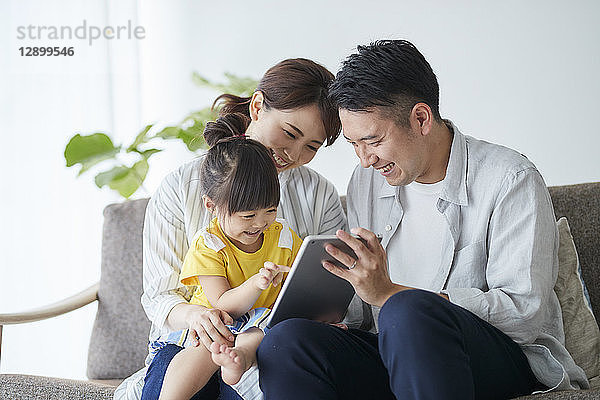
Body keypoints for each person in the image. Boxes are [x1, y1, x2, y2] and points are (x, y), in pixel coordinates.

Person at [257, 40, 589, 399]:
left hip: (497, 358)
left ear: (420, 118)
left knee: (408, 310)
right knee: (287, 340)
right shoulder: (366, 181)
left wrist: (391, 294)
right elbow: (362, 312)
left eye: (373, 140)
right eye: (354, 144)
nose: (365, 159)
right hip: (397, 353)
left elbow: (524, 315)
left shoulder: (510, 179)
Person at [114, 58, 346, 400]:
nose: (293, 154)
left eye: (312, 146)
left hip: (270, 342)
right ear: (257, 106)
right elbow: (159, 296)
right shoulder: (183, 186)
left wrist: (324, 315)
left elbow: (330, 282)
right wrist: (198, 316)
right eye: (289, 133)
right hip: (191, 339)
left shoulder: (319, 194)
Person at [149, 118, 303, 400]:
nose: (260, 223)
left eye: (269, 210)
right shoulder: (209, 244)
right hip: (215, 321)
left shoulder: (283, 237)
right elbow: (223, 305)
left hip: (257, 324)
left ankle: (237, 360)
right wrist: (258, 284)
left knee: (259, 334)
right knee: (205, 349)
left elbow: (296, 288)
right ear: (211, 205)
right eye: (247, 216)